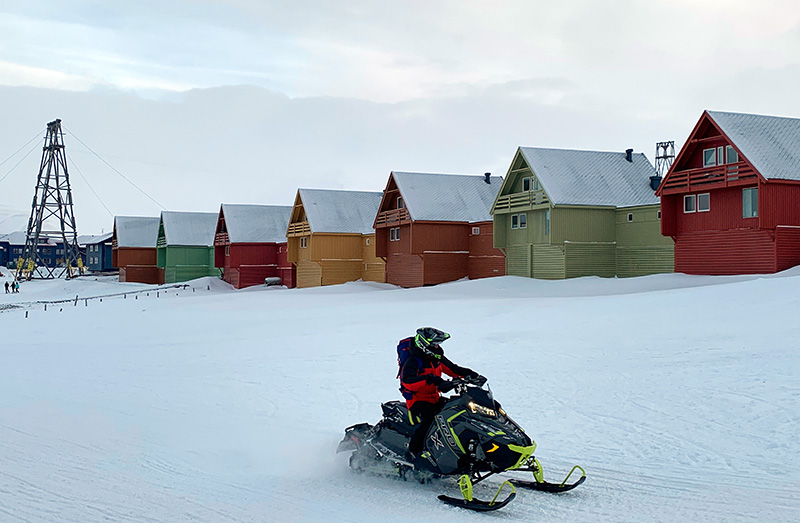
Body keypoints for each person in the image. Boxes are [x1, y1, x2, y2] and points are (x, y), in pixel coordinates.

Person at [400, 327, 482, 467]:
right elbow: (407, 382)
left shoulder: (436, 358)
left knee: (458, 411)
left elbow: (453, 369)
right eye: (434, 344)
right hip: (417, 401)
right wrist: (430, 380)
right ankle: (414, 452)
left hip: (434, 397)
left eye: (438, 344)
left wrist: (472, 375)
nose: (437, 347)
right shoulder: (414, 361)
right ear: (424, 344)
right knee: (431, 420)